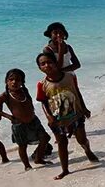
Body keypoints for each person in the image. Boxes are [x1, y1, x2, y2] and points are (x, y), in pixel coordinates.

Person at [35, 50, 98, 180]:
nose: (47, 65)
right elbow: (43, 103)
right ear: (39, 68)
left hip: (76, 114)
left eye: (49, 62)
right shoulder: (42, 84)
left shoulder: (70, 77)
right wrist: (49, 117)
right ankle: (65, 170)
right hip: (58, 119)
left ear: (56, 63)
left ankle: (87, 150)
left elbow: (77, 92)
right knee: (62, 143)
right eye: (43, 64)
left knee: (81, 139)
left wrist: (84, 108)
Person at [0, 68, 52, 170]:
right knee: (22, 145)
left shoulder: (24, 90)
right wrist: (9, 117)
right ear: (6, 81)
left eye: (18, 80)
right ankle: (27, 165)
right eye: (11, 79)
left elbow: (28, 102)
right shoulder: (5, 95)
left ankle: (38, 158)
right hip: (19, 124)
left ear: (22, 82)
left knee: (45, 138)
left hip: (33, 120)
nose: (14, 82)